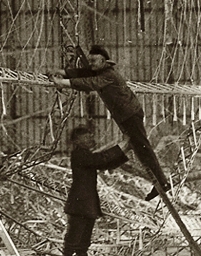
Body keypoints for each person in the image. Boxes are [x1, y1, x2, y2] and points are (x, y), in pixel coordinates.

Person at [49, 45, 171, 201]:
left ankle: (162, 182)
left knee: (143, 148)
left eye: (93, 61)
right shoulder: (100, 71)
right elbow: (84, 73)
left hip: (130, 115)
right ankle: (159, 181)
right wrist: (63, 72)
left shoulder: (109, 75)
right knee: (139, 148)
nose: (91, 64)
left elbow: (89, 82)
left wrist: (62, 82)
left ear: (102, 60)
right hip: (125, 116)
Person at [61, 126, 129, 256]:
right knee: (71, 246)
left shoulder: (85, 155)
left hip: (86, 206)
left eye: (90, 136)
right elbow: (101, 159)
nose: (90, 139)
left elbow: (105, 163)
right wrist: (123, 146)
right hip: (80, 206)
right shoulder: (79, 154)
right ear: (76, 141)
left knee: (82, 246)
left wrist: (125, 150)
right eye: (86, 137)